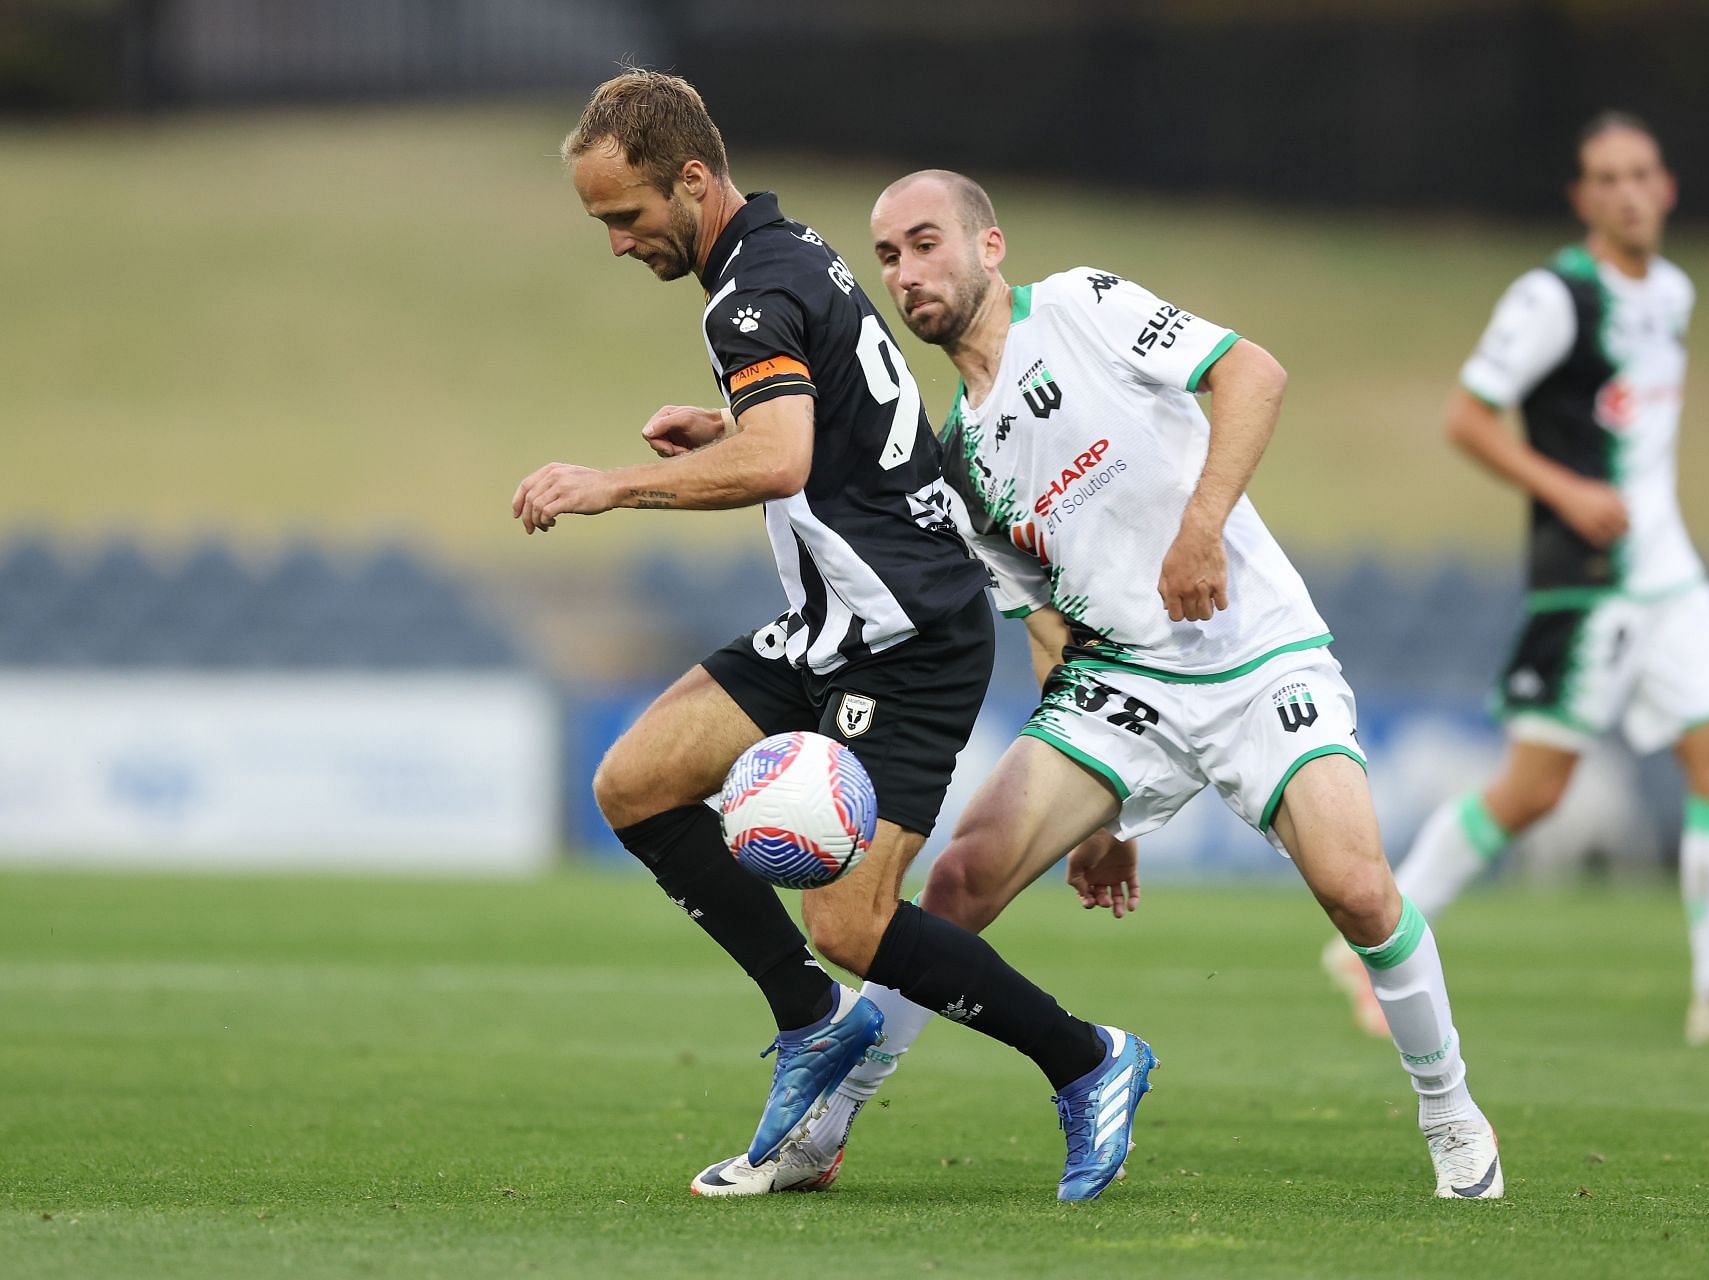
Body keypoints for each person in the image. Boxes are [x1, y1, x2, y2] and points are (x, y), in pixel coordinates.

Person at [698, 169, 1503, 1201]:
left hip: (1254, 650)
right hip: (1122, 681)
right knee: (957, 883)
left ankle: (1448, 1108)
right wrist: (1103, 808)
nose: (907, 271)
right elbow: (1048, 618)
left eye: (927, 241)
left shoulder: (1078, 305)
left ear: (989, 247)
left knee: (1355, 887)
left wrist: (1203, 523)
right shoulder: (958, 461)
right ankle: (831, 1122)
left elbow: (1253, 372)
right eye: (889, 255)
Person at [513, 71, 1152, 1201]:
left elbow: (782, 460)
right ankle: (812, 1025)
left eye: (625, 215)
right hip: (831, 623)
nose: (616, 242)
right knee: (633, 784)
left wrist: (606, 485)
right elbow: (857, 418)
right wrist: (730, 420)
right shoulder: (788, 252)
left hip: (908, 639)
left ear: (694, 181)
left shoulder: (745, 299)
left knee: (850, 924)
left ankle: (1090, 1057)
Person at [1325, 113, 1709, 1049]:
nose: (1629, 191)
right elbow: (1468, 417)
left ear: (1666, 185)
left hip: (1670, 578)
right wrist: (1568, 491)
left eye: (1642, 173)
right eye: (1608, 178)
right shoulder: (1554, 296)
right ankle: (1369, 941)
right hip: (1591, 584)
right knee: (1533, 790)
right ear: (1583, 198)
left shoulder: (1672, 292)